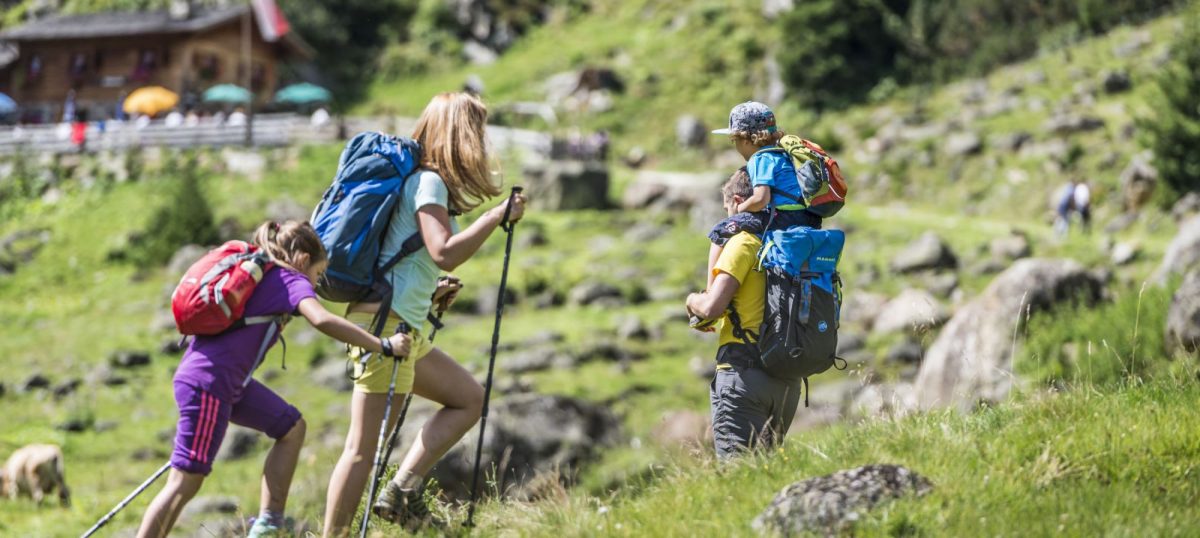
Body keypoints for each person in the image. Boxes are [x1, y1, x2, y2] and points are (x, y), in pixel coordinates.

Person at [322, 92, 526, 536]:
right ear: (462, 136)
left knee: (468, 398)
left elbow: (412, 259)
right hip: (386, 329)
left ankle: (400, 492)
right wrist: (496, 217)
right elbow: (444, 252)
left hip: (404, 326)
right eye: (478, 132)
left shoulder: (423, 182)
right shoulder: (428, 182)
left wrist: (431, 294)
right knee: (361, 449)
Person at [137, 221, 413, 538]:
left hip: (225, 383)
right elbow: (321, 319)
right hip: (211, 383)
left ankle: (269, 524)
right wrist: (382, 345)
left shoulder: (264, 275)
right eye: (318, 273)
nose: (317, 282)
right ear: (302, 259)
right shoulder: (289, 278)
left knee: (292, 427)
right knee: (185, 481)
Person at [686, 170, 801, 459]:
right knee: (766, 475)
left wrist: (691, 300)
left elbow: (712, 307)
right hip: (785, 382)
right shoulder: (786, 245)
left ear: (738, 201)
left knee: (739, 478)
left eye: (727, 210)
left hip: (743, 376)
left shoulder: (743, 243)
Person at [706, 101, 820, 289]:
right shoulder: (781, 154)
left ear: (746, 140)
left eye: (734, 141)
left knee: (720, 230)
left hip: (783, 218)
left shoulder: (760, 158)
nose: (736, 147)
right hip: (807, 218)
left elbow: (761, 199)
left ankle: (710, 291)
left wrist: (737, 210)